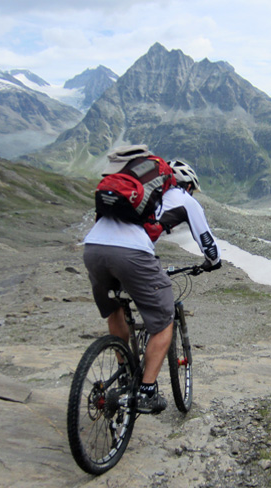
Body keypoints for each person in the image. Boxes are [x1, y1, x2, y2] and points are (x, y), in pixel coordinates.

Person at [83, 146, 221, 413]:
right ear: (186, 184)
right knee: (163, 320)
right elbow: (206, 240)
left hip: (93, 248)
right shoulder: (183, 197)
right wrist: (212, 262)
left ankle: (123, 373)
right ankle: (146, 391)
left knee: (116, 307)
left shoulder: (135, 196)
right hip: (132, 253)